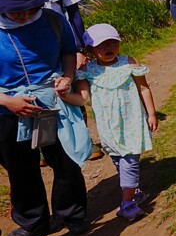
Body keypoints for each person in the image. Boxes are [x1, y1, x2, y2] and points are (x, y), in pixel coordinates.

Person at [0, 0, 89, 236]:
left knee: (65, 160)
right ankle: (33, 220)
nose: (25, 16)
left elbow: (68, 51)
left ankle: (71, 213)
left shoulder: (52, 19)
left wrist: (68, 77)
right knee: (19, 167)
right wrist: (7, 101)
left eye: (30, 9)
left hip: (53, 101)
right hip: (7, 109)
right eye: (17, 12)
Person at [0, 0, 103, 162]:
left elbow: (73, 15)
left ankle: (79, 142)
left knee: (69, 95)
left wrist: (78, 48)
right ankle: (41, 150)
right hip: (18, 80)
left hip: (57, 49)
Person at [62, 23, 157, 222]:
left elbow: (144, 89)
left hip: (132, 121)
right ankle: (134, 191)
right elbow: (83, 98)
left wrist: (151, 114)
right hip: (108, 125)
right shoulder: (88, 70)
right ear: (89, 50)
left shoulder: (129, 63)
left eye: (113, 42)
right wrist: (64, 95)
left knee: (130, 161)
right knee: (117, 158)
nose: (108, 47)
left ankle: (127, 204)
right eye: (102, 45)